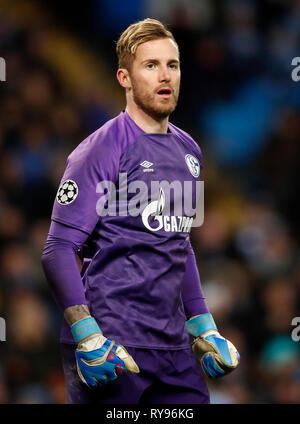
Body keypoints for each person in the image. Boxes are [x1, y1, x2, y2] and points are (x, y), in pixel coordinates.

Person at [42, 18, 239, 404]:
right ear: (124, 78)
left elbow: (178, 245)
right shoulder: (100, 149)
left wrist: (203, 327)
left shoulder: (190, 152)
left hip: (173, 347)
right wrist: (88, 336)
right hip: (113, 345)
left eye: (172, 65)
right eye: (151, 65)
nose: (165, 75)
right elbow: (58, 249)